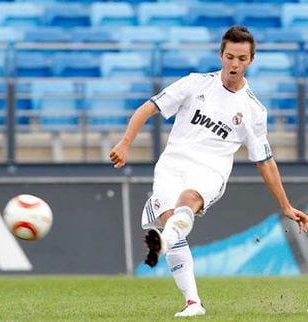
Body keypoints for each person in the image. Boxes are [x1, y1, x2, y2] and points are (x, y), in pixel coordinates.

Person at [109, 25, 308, 318]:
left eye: (242, 58)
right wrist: (125, 143)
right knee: (174, 227)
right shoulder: (194, 84)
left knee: (187, 202)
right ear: (221, 55)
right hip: (172, 165)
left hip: (210, 171)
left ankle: (167, 245)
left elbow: (265, 162)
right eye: (230, 57)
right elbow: (149, 108)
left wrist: (286, 205)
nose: (235, 64)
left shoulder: (253, 111)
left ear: (251, 60)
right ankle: (193, 302)